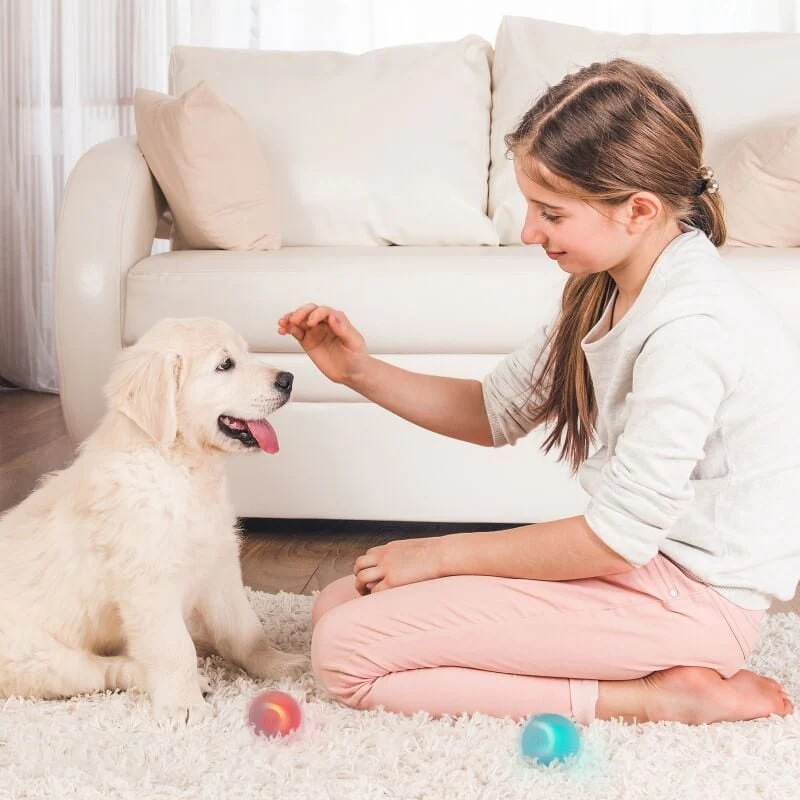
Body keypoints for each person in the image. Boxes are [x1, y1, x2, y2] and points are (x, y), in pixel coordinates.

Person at [277, 59, 798, 726]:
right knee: (336, 608)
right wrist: (358, 371)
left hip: (693, 602)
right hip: (643, 572)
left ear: (638, 210)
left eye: (551, 213)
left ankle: (659, 695)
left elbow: (616, 539)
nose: (527, 232)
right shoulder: (607, 284)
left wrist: (438, 556)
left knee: (345, 654)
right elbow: (493, 412)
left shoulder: (690, 329)